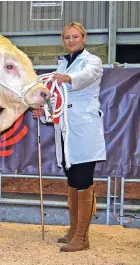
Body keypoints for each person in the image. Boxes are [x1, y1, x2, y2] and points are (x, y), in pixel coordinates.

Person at [32, 22, 106, 252]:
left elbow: (84, 77)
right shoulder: (62, 65)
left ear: (83, 38)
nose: (71, 40)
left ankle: (83, 238)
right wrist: (43, 113)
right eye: (67, 37)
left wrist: (65, 78)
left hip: (84, 130)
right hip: (65, 133)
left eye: (75, 36)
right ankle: (74, 230)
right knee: (72, 181)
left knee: (83, 181)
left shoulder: (92, 62)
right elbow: (55, 102)